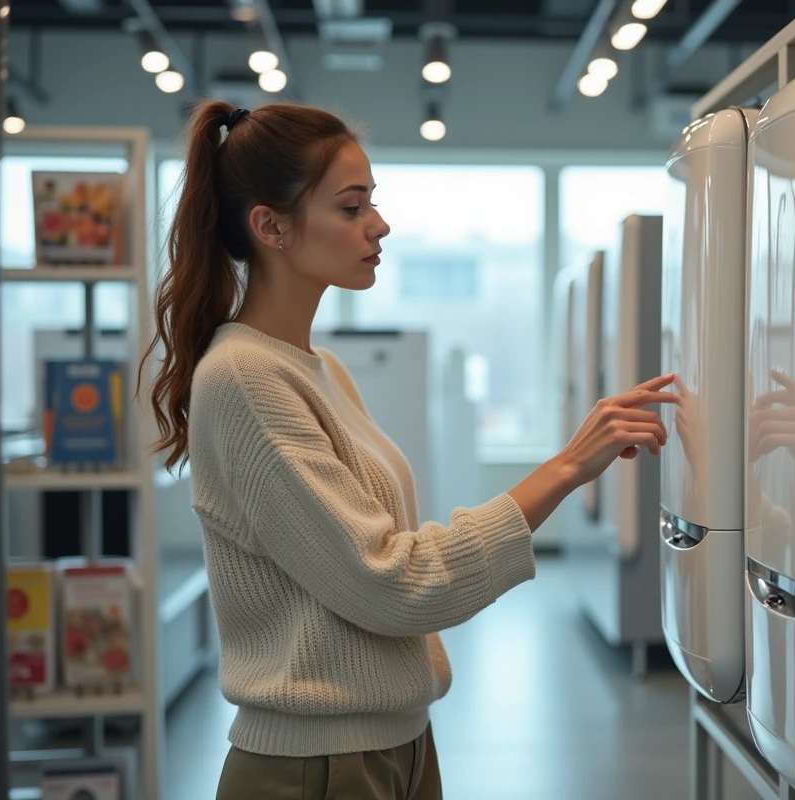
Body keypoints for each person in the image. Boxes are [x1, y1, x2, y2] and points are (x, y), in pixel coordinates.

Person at [141, 100, 678, 800]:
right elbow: (391, 581)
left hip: (395, 743)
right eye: (351, 206)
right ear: (270, 226)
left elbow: (382, 557)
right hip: (317, 769)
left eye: (373, 202)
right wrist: (566, 469)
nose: (379, 224)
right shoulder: (244, 379)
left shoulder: (319, 369)